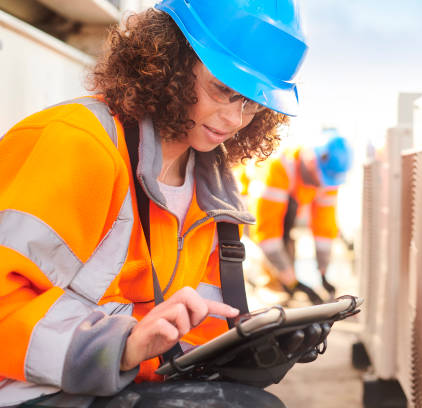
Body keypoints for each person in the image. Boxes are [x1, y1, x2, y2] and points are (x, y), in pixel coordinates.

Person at [0, 0, 309, 406]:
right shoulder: (77, 144)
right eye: (222, 89)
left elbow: (194, 333)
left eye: (251, 103)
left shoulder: (213, 192)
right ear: (171, 61)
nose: (235, 119)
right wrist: (122, 346)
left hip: (119, 385)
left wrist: (246, 349)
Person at [247, 128, 352, 304]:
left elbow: (324, 229)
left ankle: (283, 284)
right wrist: (292, 281)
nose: (322, 185)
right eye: (322, 178)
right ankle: (268, 285)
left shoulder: (327, 178)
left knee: (288, 229)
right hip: (246, 210)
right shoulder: (277, 166)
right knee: (274, 249)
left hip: (281, 215)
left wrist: (323, 274)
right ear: (311, 160)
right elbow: (266, 232)